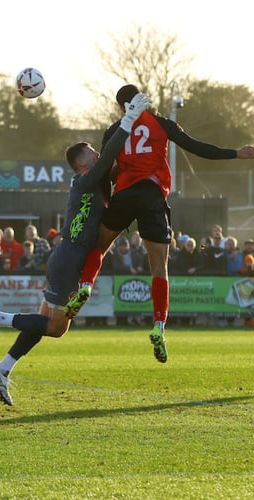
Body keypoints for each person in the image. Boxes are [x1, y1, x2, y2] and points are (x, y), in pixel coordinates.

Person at [0, 93, 151, 406]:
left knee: (44, 323)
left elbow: (113, 159)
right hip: (69, 258)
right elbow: (110, 155)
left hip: (67, 256)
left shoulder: (90, 181)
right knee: (57, 328)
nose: (98, 155)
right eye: (93, 153)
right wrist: (128, 119)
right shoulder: (84, 179)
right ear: (83, 162)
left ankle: (3, 369)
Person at [65, 84, 254, 364]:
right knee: (159, 267)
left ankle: (85, 285)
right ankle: (158, 325)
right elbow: (197, 147)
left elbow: (104, 170)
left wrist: (106, 202)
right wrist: (235, 153)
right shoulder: (162, 123)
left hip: (125, 194)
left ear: (121, 108)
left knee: (101, 247)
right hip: (152, 195)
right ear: (143, 100)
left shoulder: (115, 130)